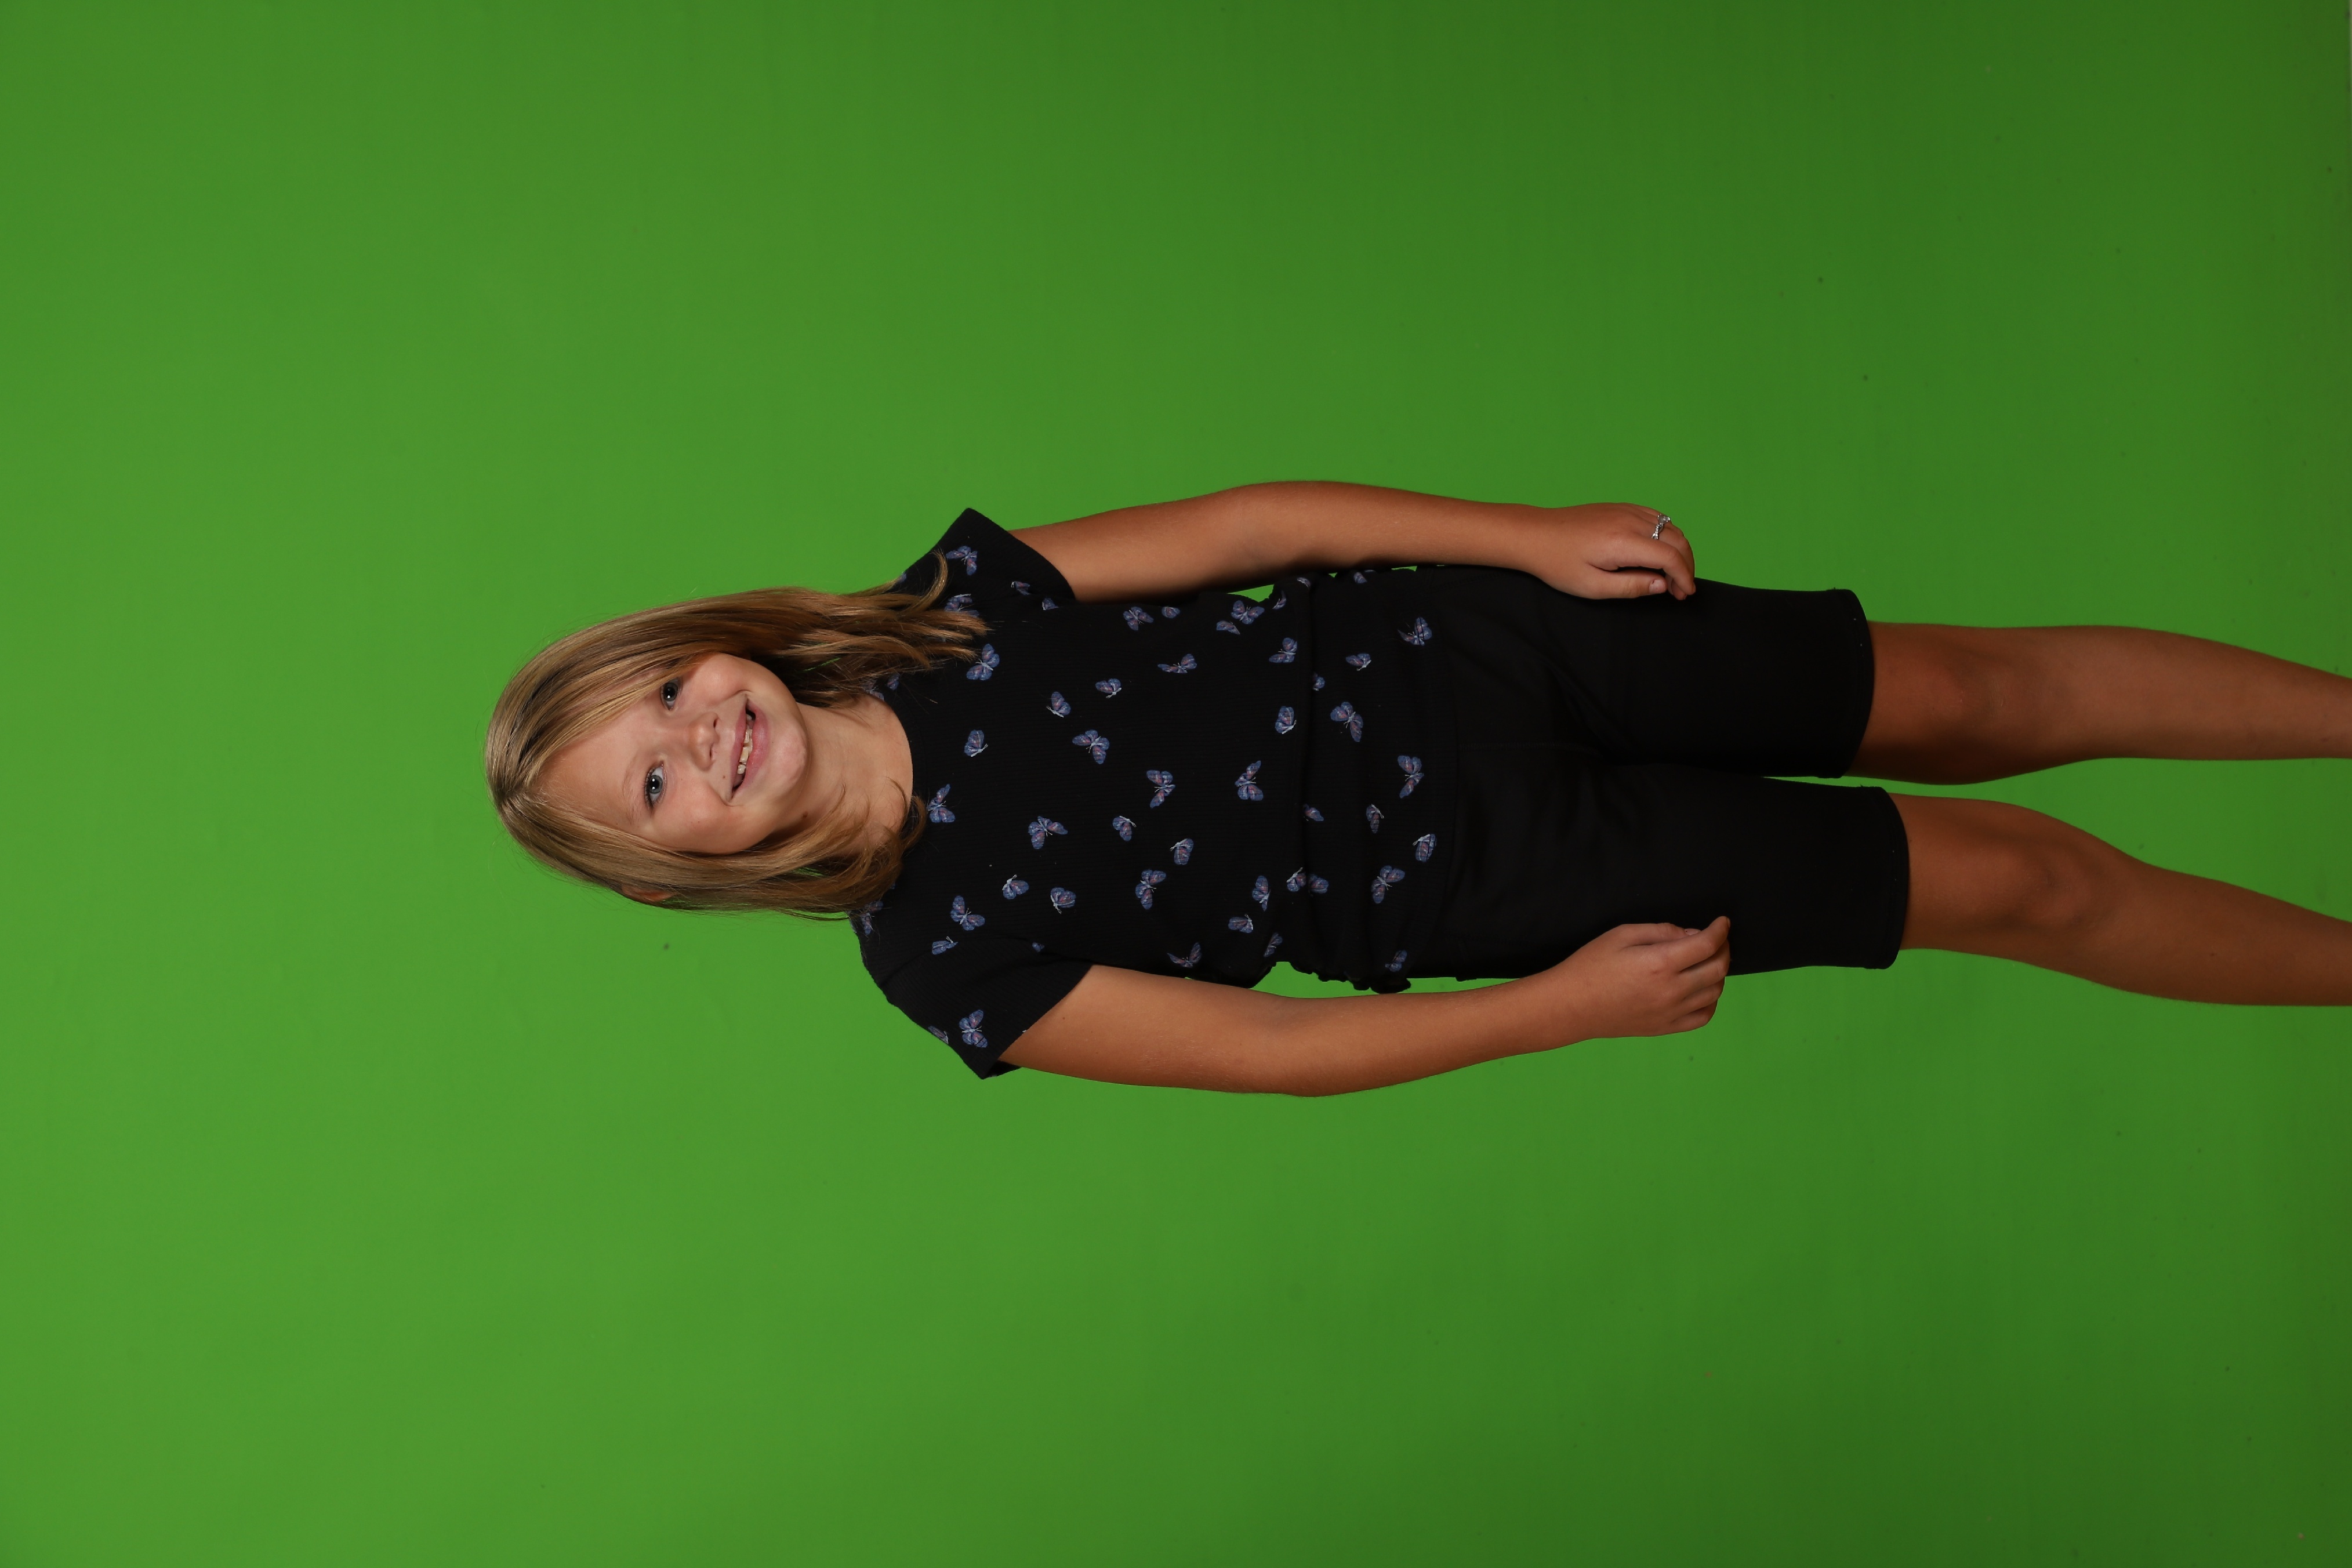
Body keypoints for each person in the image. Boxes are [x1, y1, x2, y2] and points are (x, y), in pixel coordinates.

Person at [484, 483, 2352, 1094]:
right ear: (672, 870)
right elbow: (1268, 1047)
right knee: (2013, 883)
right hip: (1494, 870)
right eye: (655, 782)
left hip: (1479, 650)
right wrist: (1558, 1007)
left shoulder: (952, 607)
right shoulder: (945, 962)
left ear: (710, 641)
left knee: (1972, 686)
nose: (702, 735)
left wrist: (1520, 538)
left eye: (671, 693)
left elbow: (1255, 528)